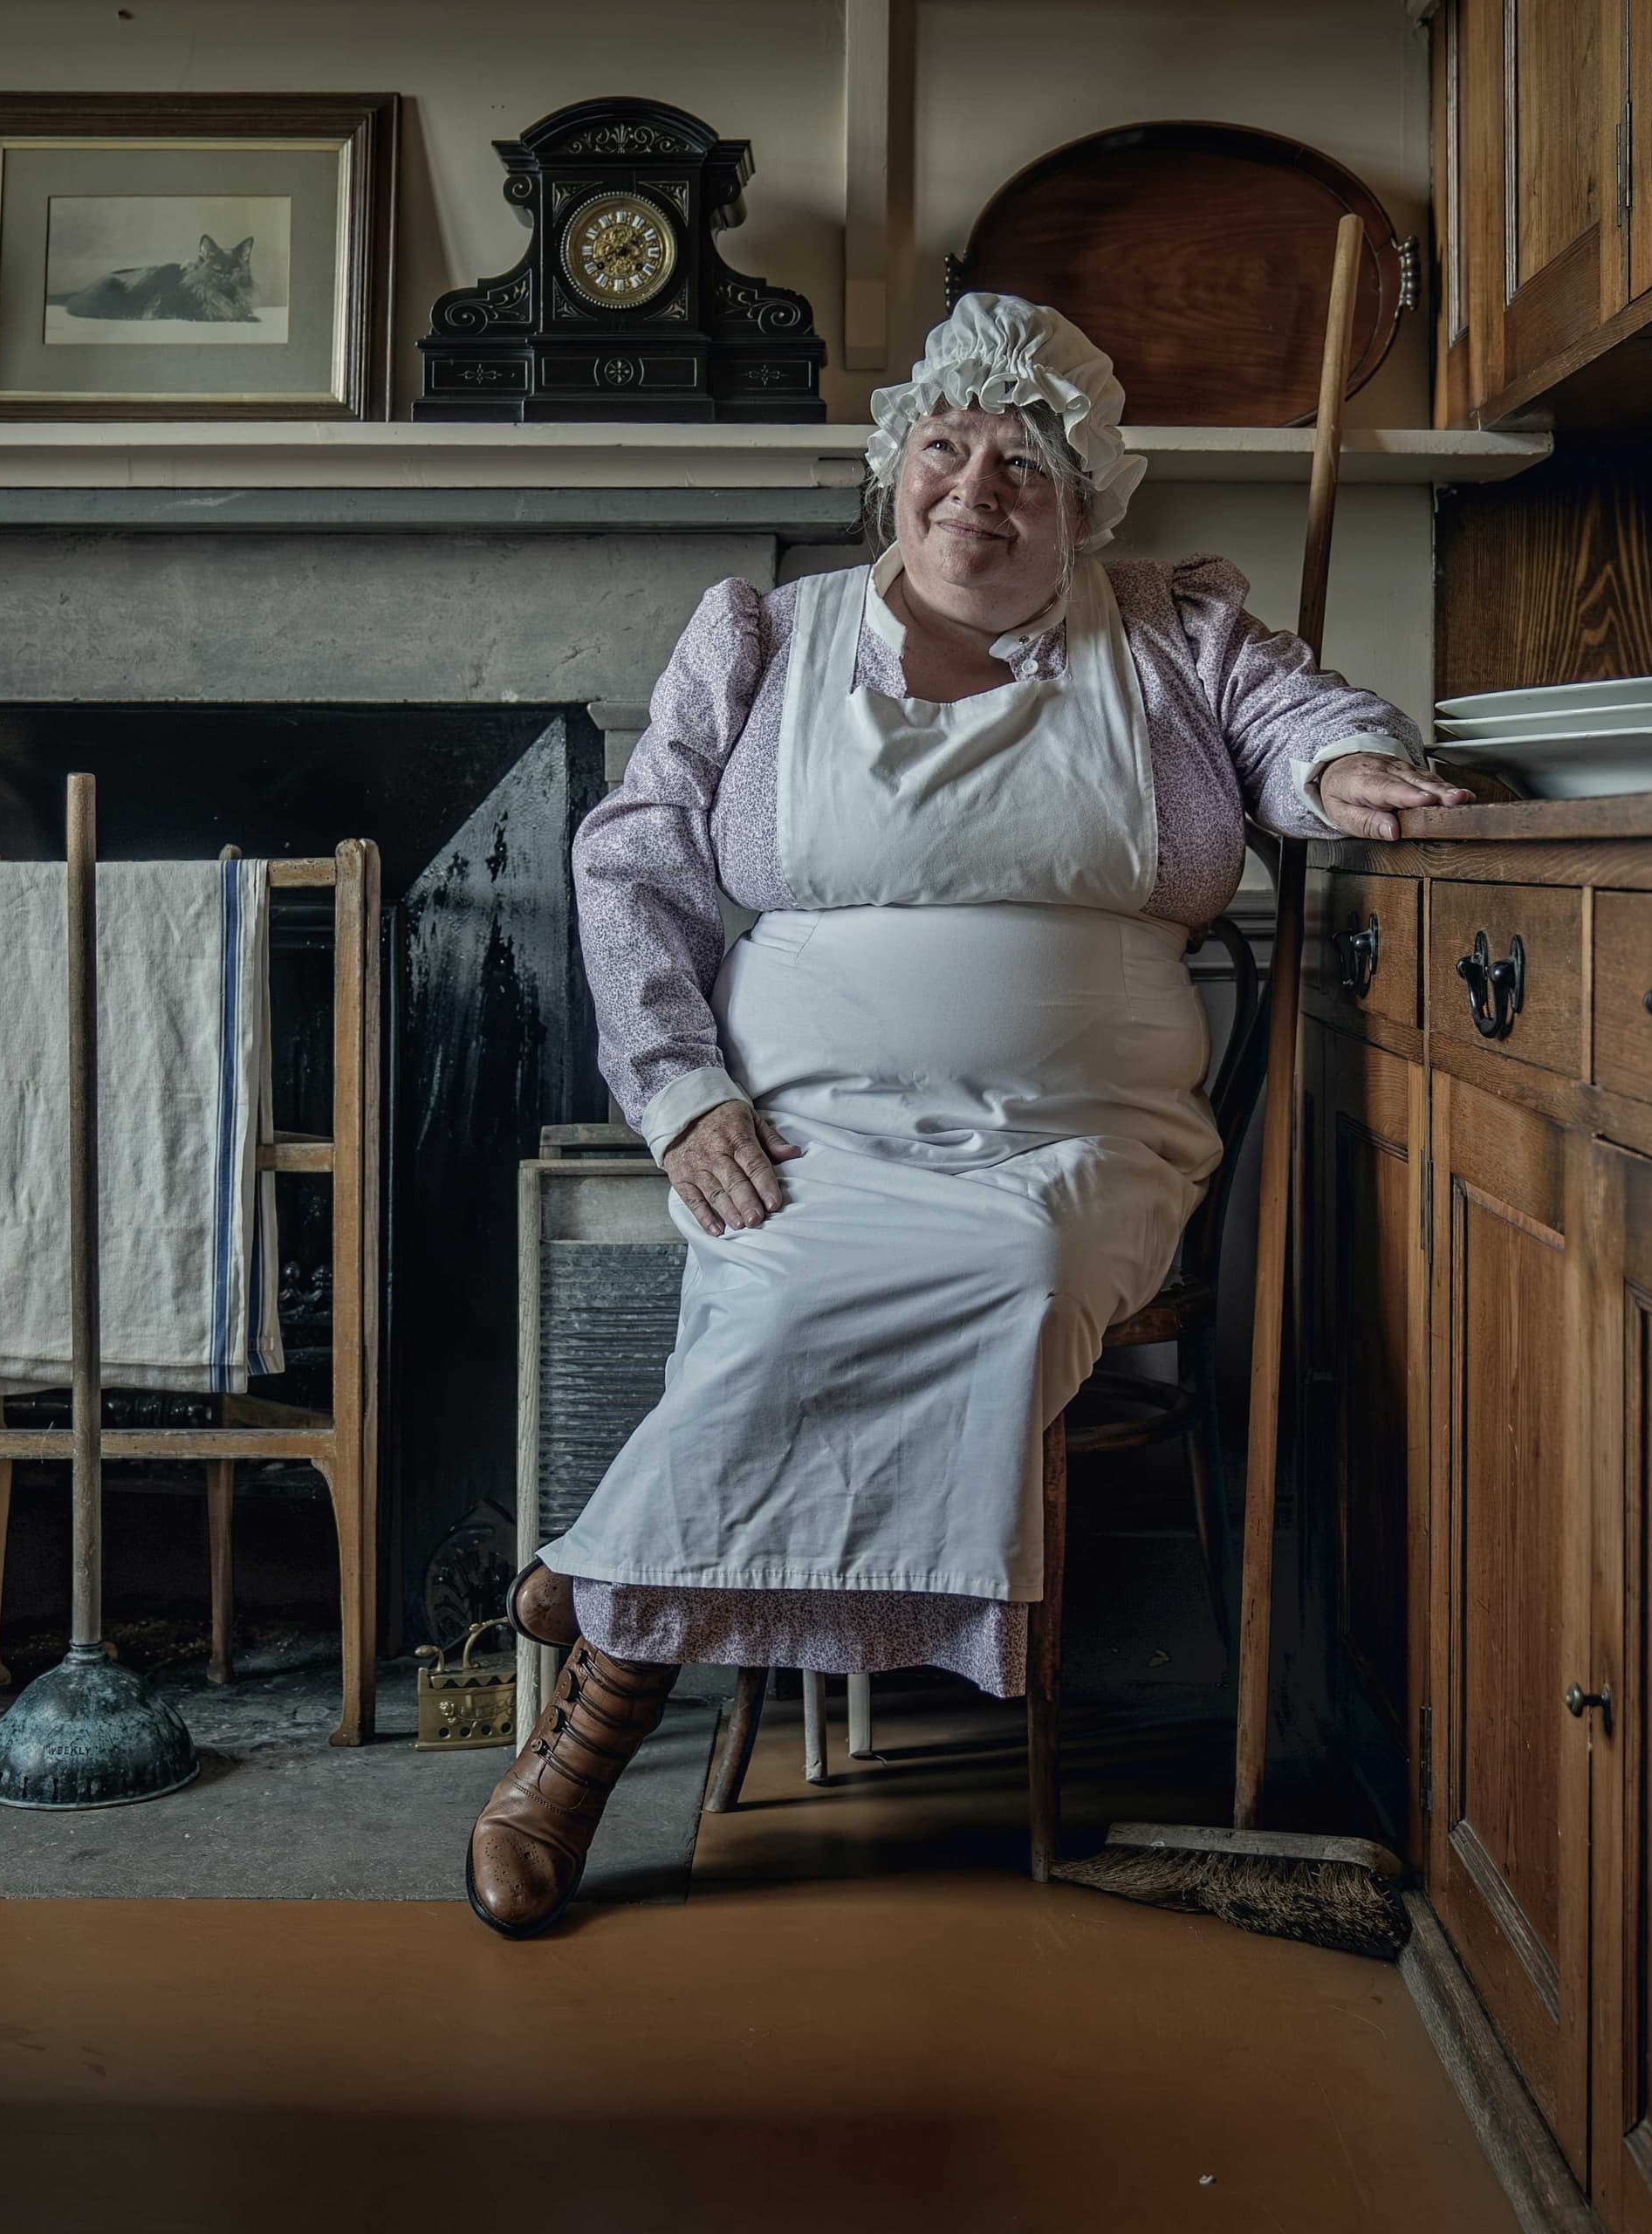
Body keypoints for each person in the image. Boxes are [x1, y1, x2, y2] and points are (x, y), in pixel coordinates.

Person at [467, 294, 1469, 1936]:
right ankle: (582, 1750)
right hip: (804, 1129)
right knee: (778, 1293)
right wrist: (679, 1092)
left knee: (1015, 1273)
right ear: (896, 464)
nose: (975, 489)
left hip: (1074, 1140)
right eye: (946, 447)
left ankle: (600, 1588)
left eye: (1025, 464)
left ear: (1086, 504)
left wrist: (1348, 767)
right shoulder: (762, 639)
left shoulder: (1167, 627)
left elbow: (1297, 726)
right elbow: (630, 862)